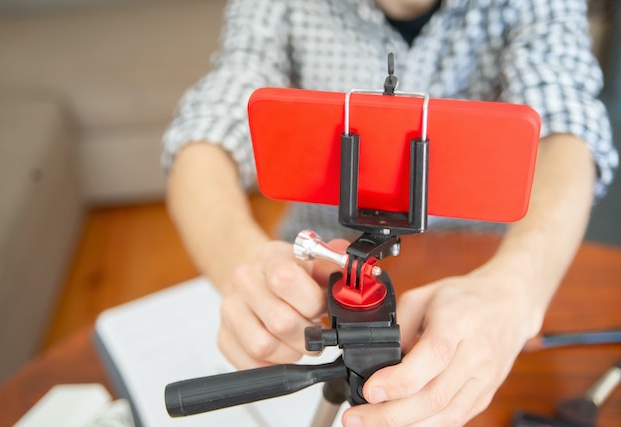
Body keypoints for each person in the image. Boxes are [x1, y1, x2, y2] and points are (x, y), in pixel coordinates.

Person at [162, 0, 618, 425]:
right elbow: (209, 122)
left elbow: (569, 124)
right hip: (315, 277)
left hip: (479, 273)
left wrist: (516, 290)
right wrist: (244, 265)